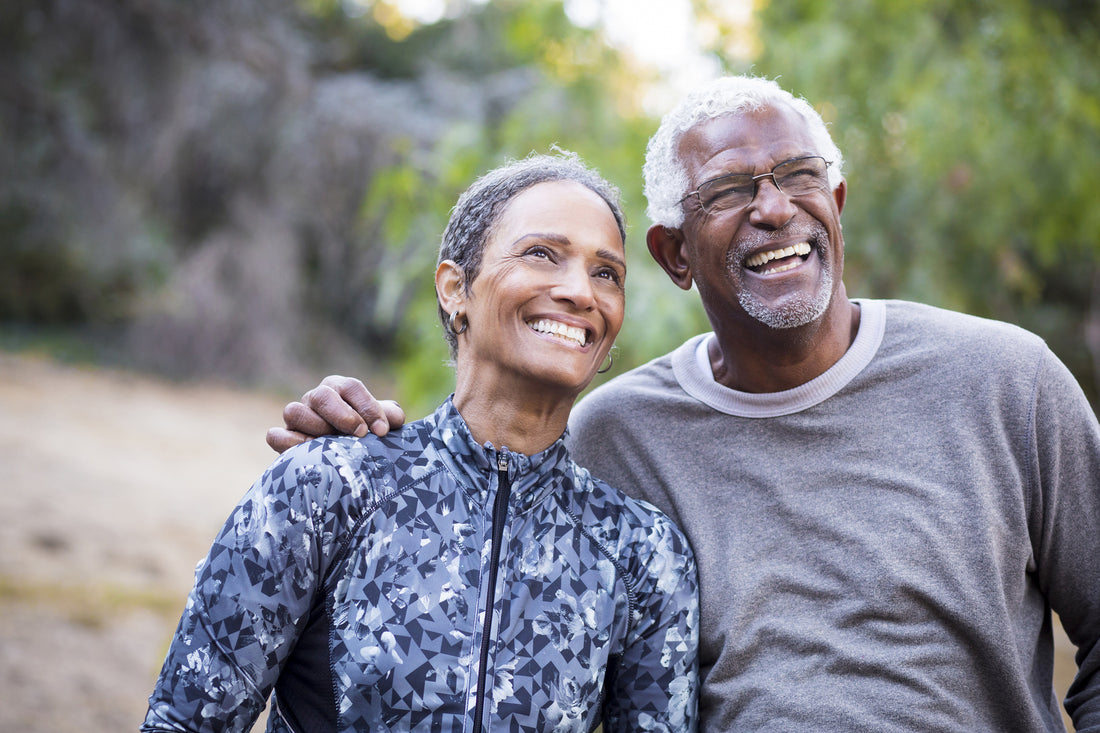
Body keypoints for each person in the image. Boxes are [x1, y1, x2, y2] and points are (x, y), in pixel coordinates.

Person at [271, 75, 1100, 732]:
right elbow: (477, 511)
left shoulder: (1003, 381)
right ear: (673, 254)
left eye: (800, 177)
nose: (776, 209)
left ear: (836, 206)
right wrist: (363, 438)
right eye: (731, 190)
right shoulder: (620, 435)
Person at [143, 152, 700, 732]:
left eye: (606, 272)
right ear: (455, 287)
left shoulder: (644, 555)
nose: (580, 291)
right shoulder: (330, 487)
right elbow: (184, 723)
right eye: (542, 254)